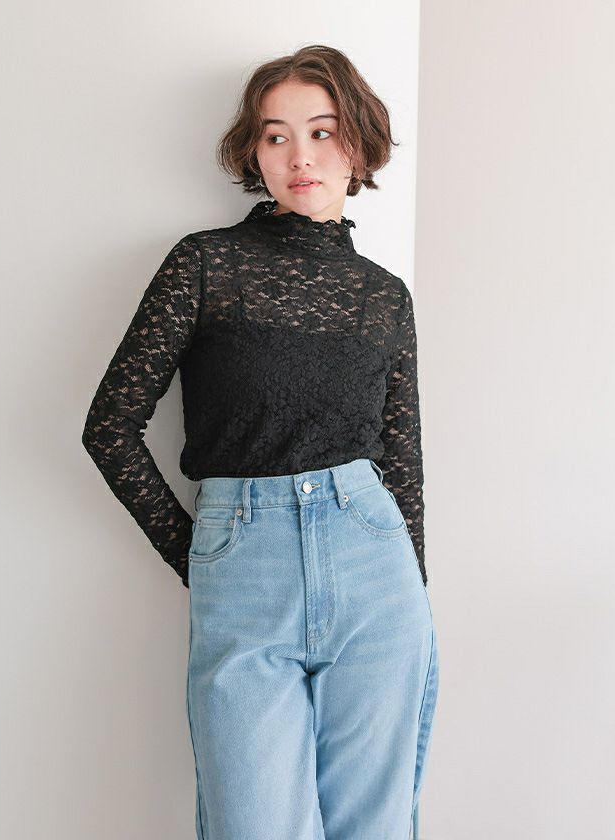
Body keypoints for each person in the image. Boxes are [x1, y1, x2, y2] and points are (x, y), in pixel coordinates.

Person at [82, 44, 439, 840]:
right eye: (276, 136)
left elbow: (404, 460)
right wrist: (203, 556)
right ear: (254, 152)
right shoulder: (204, 264)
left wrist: (415, 587)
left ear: (359, 144)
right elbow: (109, 426)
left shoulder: (386, 296)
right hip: (244, 564)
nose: (299, 156)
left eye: (322, 131)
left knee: (374, 828)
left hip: (375, 572)